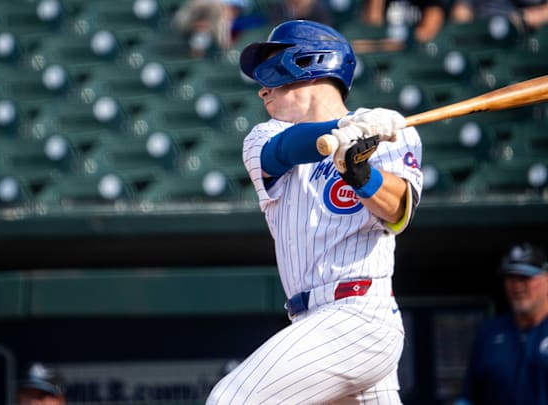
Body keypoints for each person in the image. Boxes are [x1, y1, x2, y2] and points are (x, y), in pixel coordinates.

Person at [206, 20, 423, 404]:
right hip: (311, 322)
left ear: (309, 63)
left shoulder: (389, 131)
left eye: (271, 67)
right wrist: (344, 127)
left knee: (230, 400)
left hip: (359, 314)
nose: (261, 89)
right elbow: (286, 150)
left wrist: (361, 173)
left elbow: (397, 212)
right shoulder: (264, 136)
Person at [456, 242, 548, 405]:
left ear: (545, 279)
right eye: (511, 278)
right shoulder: (489, 333)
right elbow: (468, 396)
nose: (517, 286)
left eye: (525, 277)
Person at [450, 0, 548, 32]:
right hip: (484, 34)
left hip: (520, 35)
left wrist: (522, 18)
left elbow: (544, 13)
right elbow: (461, 11)